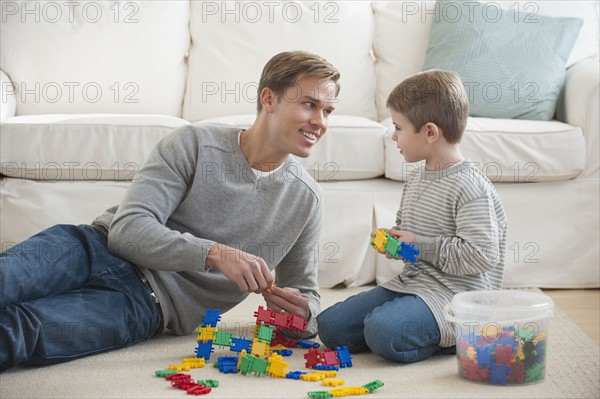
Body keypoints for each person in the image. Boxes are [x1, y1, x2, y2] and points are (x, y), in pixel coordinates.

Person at [0, 51, 340, 371]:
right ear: (269, 99)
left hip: (145, 303)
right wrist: (215, 253)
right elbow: (128, 231)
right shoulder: (194, 143)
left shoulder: (306, 199)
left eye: (327, 111)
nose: (319, 122)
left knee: (19, 329)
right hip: (92, 247)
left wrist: (302, 314)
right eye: (310, 104)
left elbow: (305, 294)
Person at [316, 70, 508, 364]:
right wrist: (394, 243)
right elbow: (409, 238)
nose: (393, 136)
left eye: (398, 127)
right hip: (412, 285)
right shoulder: (417, 178)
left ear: (430, 132)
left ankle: (465, 332)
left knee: (382, 330)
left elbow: (482, 255)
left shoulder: (470, 187)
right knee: (330, 327)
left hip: (456, 297)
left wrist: (419, 245)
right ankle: (405, 325)